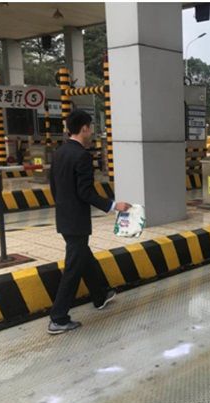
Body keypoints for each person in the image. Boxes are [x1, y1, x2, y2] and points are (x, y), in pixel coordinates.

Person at [49, 109, 131, 335]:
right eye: (91, 128)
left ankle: (100, 295)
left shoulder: (59, 153)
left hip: (64, 217)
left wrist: (64, 207)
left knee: (84, 257)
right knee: (73, 268)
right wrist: (113, 206)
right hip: (76, 221)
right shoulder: (82, 156)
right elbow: (85, 192)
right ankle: (58, 318)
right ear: (84, 128)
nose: (92, 132)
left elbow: (54, 187)